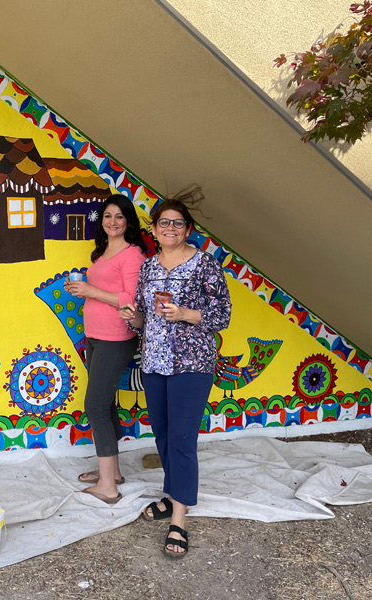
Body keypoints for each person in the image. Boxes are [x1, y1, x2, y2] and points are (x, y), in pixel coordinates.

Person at [120, 186, 231, 557]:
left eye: (177, 223)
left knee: (182, 439)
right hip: (154, 363)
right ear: (154, 229)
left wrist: (184, 314)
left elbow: (222, 316)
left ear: (187, 229)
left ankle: (178, 520)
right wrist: (133, 317)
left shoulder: (204, 265)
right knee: (165, 436)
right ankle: (173, 495)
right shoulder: (149, 267)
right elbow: (142, 317)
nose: (170, 228)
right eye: (164, 222)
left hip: (191, 364)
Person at [64, 194, 147, 505]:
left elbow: (131, 300)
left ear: (128, 221)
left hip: (116, 337)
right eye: (108, 216)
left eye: (119, 217)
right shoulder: (104, 252)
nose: (113, 221)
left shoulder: (132, 254)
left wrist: (90, 290)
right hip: (96, 336)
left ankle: (108, 487)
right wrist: (84, 291)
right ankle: (112, 474)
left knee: (95, 406)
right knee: (106, 404)